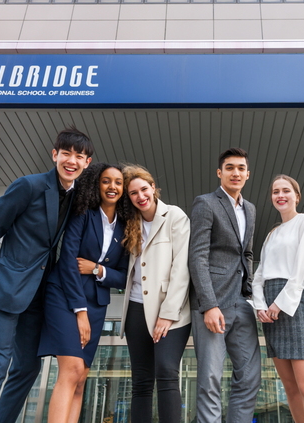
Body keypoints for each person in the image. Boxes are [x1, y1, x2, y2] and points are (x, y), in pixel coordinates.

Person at [0, 127, 93, 423]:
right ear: (54, 155)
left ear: (87, 163)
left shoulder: (76, 199)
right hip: (8, 287)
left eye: (79, 156)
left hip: (38, 294)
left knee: (27, 368)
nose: (71, 161)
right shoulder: (28, 186)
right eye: (66, 154)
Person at [38, 162, 129, 423]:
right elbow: (68, 260)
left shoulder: (124, 228)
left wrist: (98, 269)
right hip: (66, 296)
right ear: (96, 185)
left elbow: (123, 275)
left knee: (81, 379)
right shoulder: (84, 214)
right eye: (106, 181)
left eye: (118, 182)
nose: (112, 186)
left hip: (97, 304)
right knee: (71, 370)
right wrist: (80, 311)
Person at [188, 147, 261, 423]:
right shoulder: (205, 203)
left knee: (250, 375)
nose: (236, 172)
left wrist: (250, 293)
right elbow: (197, 255)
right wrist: (208, 305)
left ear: (247, 174)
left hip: (241, 302)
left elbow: (248, 253)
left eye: (241, 168)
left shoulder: (250, 209)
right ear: (220, 173)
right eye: (230, 167)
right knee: (210, 378)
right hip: (213, 304)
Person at [119, 164, 192, 423]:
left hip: (170, 310)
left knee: (167, 371)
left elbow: (182, 268)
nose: (140, 196)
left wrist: (167, 314)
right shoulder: (130, 224)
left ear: (153, 188)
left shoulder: (175, 216)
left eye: (144, 189)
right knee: (140, 380)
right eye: (133, 193)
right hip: (136, 308)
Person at [253, 175, 304, 423]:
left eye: (286, 190)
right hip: (270, 310)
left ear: (297, 196)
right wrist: (261, 306)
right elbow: (259, 275)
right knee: (290, 387)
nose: (280, 195)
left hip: (293, 304)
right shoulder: (272, 233)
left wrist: (279, 303)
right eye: (275, 191)